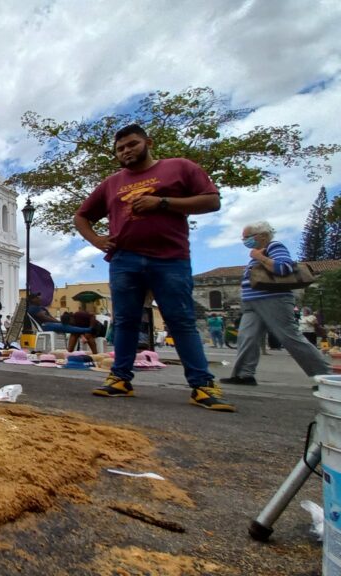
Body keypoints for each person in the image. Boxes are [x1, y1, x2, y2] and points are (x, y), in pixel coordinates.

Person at [74, 123, 233, 411]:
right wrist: (97, 240)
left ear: (148, 142)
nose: (126, 151)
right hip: (125, 259)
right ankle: (120, 378)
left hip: (170, 257)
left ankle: (202, 385)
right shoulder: (112, 183)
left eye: (132, 144)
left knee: (180, 320)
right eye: (120, 148)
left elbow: (212, 201)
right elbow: (82, 216)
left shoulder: (179, 168)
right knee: (125, 321)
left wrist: (161, 202)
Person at [220, 221, 330, 385]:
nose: (244, 241)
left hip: (272, 299)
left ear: (263, 235)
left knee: (289, 336)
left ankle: (325, 376)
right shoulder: (260, 251)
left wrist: (259, 257)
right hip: (252, 303)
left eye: (247, 237)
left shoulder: (274, 246)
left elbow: (284, 268)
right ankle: (244, 375)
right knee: (247, 337)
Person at [27, 294, 93, 337]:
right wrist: (59, 322)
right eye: (37, 297)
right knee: (66, 327)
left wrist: (58, 321)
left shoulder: (41, 307)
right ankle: (88, 330)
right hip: (44, 326)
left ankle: (85, 331)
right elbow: (45, 318)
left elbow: (50, 317)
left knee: (69, 326)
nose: (40, 298)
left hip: (48, 324)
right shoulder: (33, 308)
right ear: (32, 299)